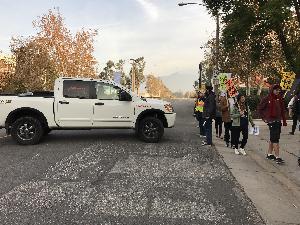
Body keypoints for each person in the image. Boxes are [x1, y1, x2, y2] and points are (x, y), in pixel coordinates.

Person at [258, 84, 287, 164]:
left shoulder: (279, 98)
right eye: (276, 90)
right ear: (272, 90)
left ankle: (269, 154)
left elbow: (282, 110)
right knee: (275, 139)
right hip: (271, 121)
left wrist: (283, 119)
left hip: (278, 121)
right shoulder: (266, 98)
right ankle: (278, 157)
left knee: (273, 138)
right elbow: (260, 109)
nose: (278, 91)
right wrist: (264, 118)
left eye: (279, 90)